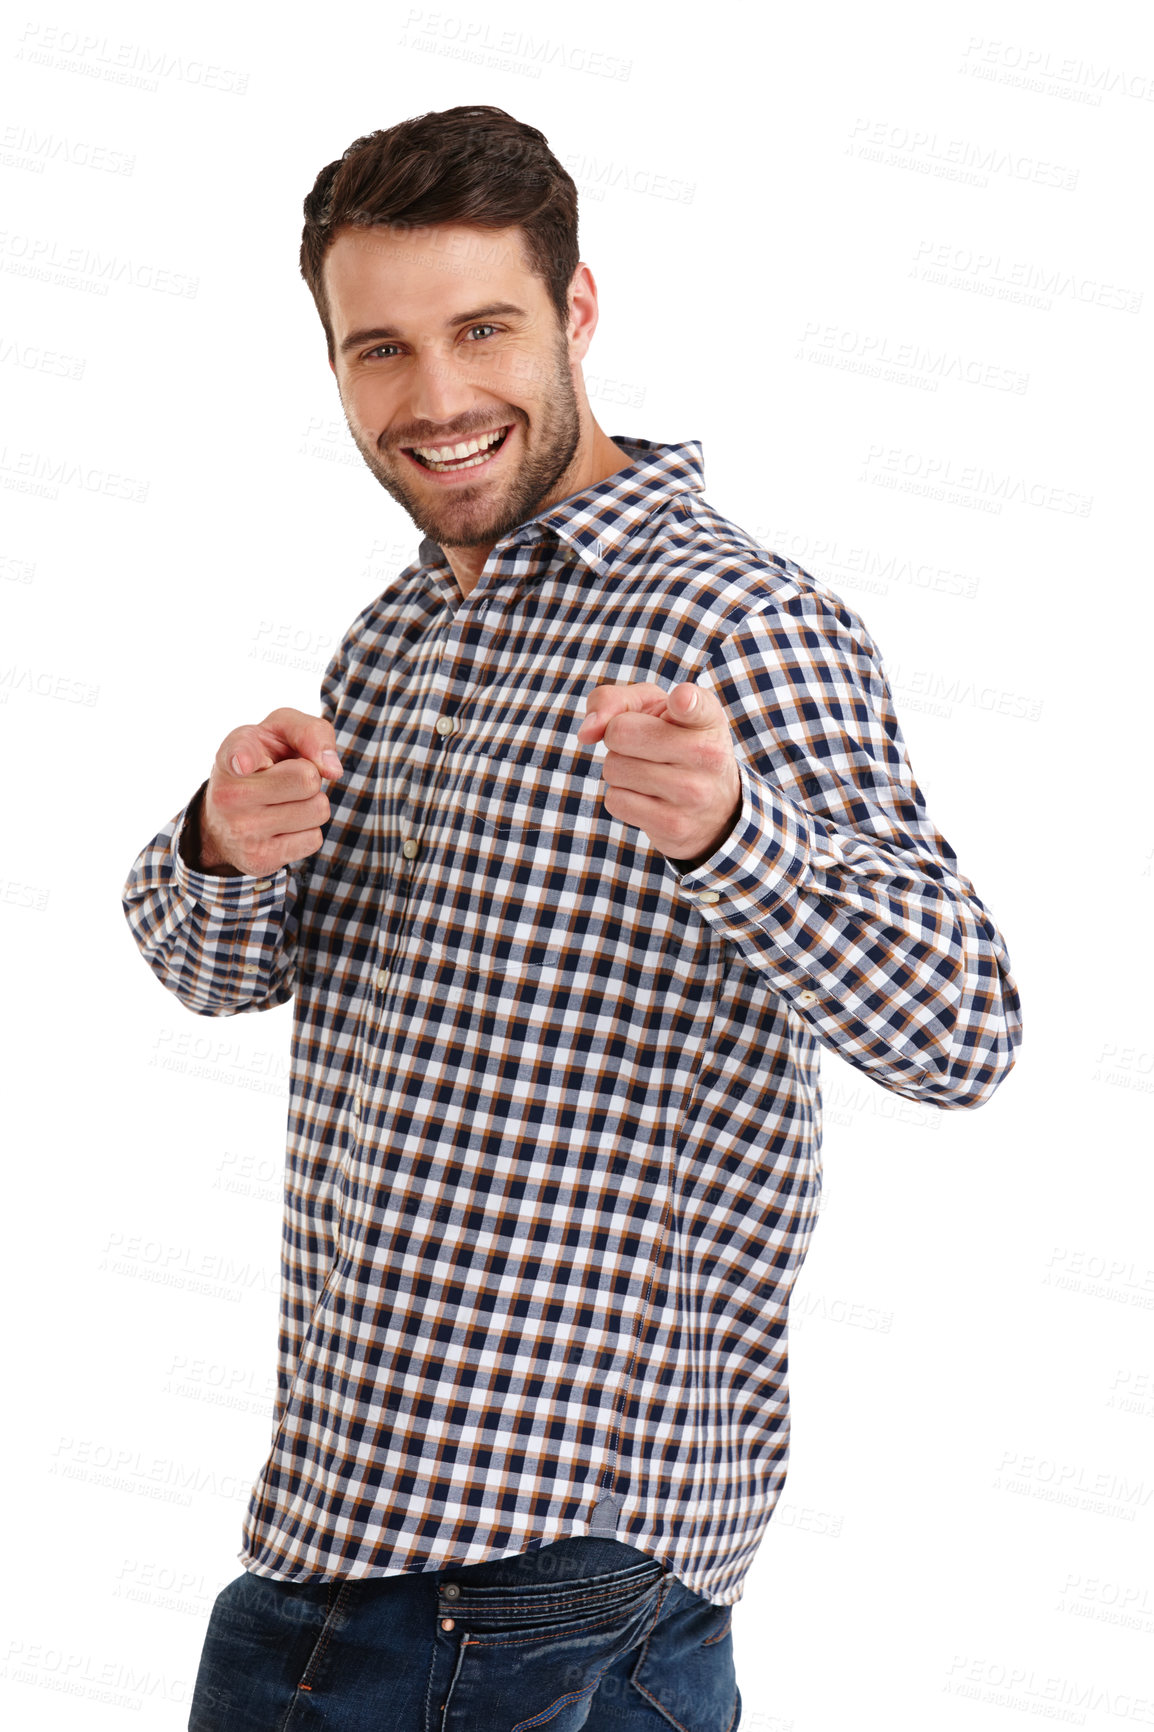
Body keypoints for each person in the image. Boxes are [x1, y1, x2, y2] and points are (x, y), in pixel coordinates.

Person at [122, 105, 1021, 1732]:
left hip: (518, 1569)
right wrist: (219, 843)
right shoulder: (393, 637)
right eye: (379, 349)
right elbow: (220, 976)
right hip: (367, 1526)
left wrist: (737, 837)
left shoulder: (732, 620)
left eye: (484, 331)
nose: (438, 398)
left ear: (578, 312)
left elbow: (965, 1032)